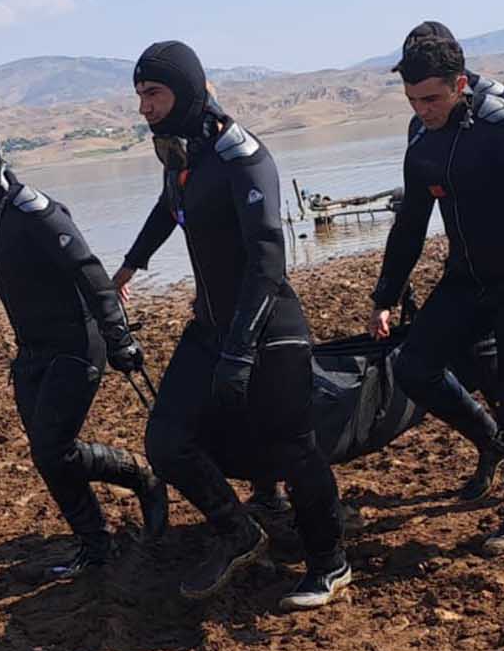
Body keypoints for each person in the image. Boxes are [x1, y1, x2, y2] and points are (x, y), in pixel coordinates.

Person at [114, 41, 351, 611]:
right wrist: (128, 266)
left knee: (295, 448)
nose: (143, 106)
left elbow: (269, 257)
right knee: (166, 440)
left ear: (188, 92)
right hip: (213, 327)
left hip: (267, 325)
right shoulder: (183, 154)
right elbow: (169, 207)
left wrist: (241, 349)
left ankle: (330, 563)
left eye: (154, 94)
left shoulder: (242, 157)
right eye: (139, 95)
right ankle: (238, 530)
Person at [369, 24, 504, 555]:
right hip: (467, 276)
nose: (423, 110)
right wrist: (385, 295)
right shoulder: (421, 137)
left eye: (433, 98)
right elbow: (412, 221)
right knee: (413, 366)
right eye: (413, 100)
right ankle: (490, 442)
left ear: (459, 83)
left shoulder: (500, 120)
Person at [0, 124, 168, 579]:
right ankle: (98, 538)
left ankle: (138, 483)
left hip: (78, 344)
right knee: (50, 453)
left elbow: (89, 272)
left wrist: (119, 337)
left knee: (50, 448)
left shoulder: (36, 212)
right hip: (32, 353)